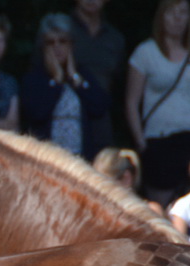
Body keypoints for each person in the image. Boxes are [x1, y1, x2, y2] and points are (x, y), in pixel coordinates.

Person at [125, 0, 190, 206]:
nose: (177, 18)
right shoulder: (145, 53)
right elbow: (132, 101)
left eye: (183, 12)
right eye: (171, 13)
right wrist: (140, 142)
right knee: (161, 205)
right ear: (161, 17)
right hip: (159, 142)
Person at [22, 13, 110, 159]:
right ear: (42, 46)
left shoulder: (81, 74)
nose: (57, 47)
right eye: (51, 42)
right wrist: (56, 80)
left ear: (71, 44)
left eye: (62, 41)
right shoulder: (35, 77)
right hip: (46, 159)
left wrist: (75, 78)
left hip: (81, 158)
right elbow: (37, 113)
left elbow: (99, 107)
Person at [69, 0, 125, 153]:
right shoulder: (60, 32)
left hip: (102, 126)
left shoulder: (115, 38)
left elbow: (119, 89)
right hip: (66, 124)